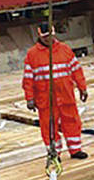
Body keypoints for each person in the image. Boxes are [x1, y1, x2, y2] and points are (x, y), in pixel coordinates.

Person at [22, 24, 89, 159]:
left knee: (72, 122)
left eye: (50, 36)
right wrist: (29, 98)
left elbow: (76, 70)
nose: (49, 39)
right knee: (49, 127)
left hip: (66, 96)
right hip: (46, 99)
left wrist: (82, 88)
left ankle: (75, 149)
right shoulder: (32, 55)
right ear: (40, 36)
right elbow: (28, 79)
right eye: (45, 37)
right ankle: (54, 152)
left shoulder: (65, 50)